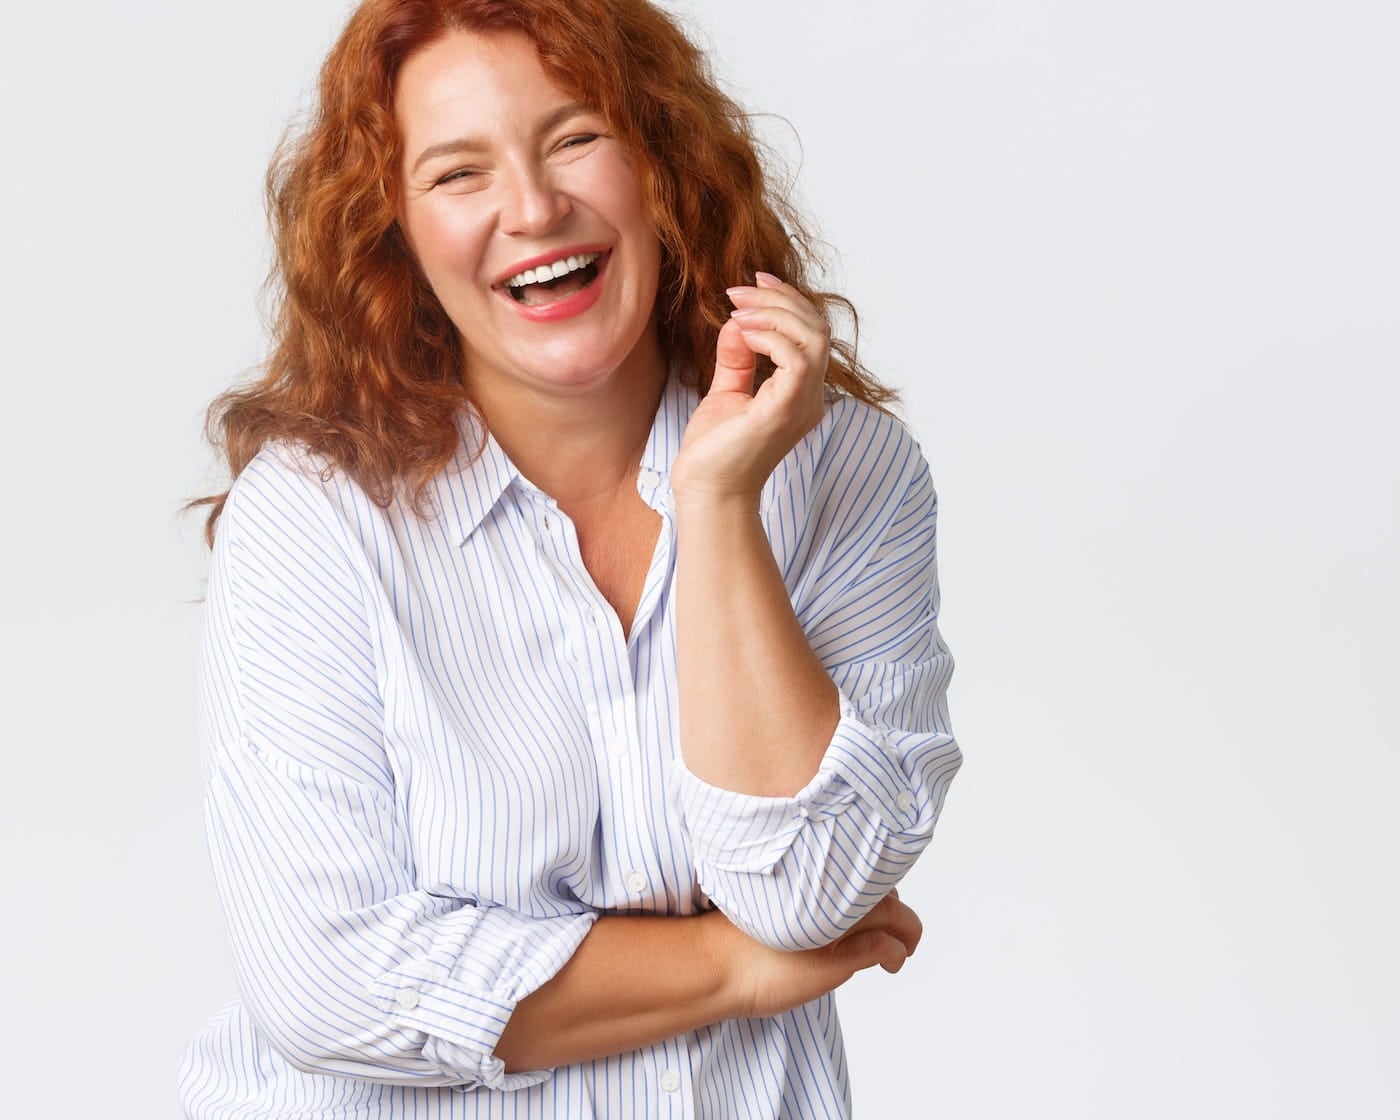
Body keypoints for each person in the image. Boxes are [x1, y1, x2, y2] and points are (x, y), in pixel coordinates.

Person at [179, 0, 962, 1115]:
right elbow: (327, 985)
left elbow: (805, 887)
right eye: (457, 173)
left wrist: (721, 501)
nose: (534, 209)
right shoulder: (313, 518)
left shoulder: (847, 475)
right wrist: (729, 969)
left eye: (576, 137)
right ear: (392, 230)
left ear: (664, 160)